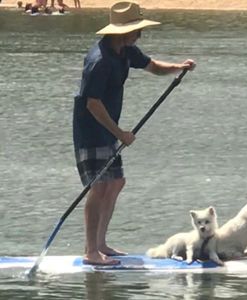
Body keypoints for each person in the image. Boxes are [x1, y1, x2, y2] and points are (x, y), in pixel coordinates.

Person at [73, 0, 196, 266]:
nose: (140, 33)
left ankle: (102, 243)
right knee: (99, 186)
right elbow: (92, 104)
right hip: (91, 130)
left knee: (116, 182)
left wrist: (178, 67)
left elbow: (153, 66)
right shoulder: (99, 61)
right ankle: (91, 252)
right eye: (136, 29)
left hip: (107, 130)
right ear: (121, 31)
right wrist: (121, 133)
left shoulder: (126, 52)